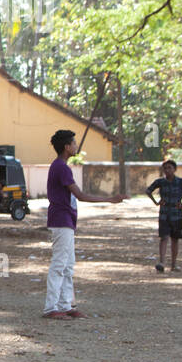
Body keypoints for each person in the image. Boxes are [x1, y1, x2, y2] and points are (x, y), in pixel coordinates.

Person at [43, 129, 124, 320]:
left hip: (66, 220)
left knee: (68, 265)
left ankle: (66, 305)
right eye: (74, 143)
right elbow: (80, 195)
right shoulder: (61, 167)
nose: (76, 146)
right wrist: (110, 199)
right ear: (67, 147)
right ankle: (51, 308)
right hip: (61, 220)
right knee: (59, 264)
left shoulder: (61, 166)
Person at [147, 159, 182, 273]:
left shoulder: (181, 182)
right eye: (165, 168)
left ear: (174, 169)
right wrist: (156, 202)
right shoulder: (160, 182)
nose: (167, 170)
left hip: (177, 214)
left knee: (175, 239)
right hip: (164, 214)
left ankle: (174, 265)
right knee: (164, 238)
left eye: (169, 168)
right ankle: (162, 262)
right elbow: (148, 190)